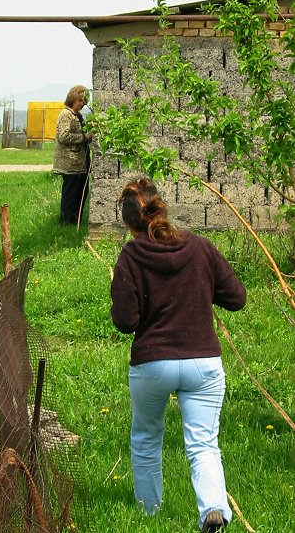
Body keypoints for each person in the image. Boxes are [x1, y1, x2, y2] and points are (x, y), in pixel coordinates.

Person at [110, 178, 246, 532]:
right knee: (203, 443)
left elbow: (126, 322)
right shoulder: (200, 248)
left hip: (153, 364)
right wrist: (198, 290)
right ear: (163, 209)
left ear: (128, 222)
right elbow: (237, 298)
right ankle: (214, 507)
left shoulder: (130, 257)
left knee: (146, 438)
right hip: (203, 363)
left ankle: (150, 514)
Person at [53, 85, 92, 225]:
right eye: (79, 100)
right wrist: (84, 137)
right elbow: (63, 136)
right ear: (73, 99)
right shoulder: (66, 114)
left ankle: (76, 221)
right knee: (70, 195)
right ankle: (65, 222)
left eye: (84, 101)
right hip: (70, 163)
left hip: (80, 163)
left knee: (81, 193)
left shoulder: (78, 116)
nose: (82, 104)